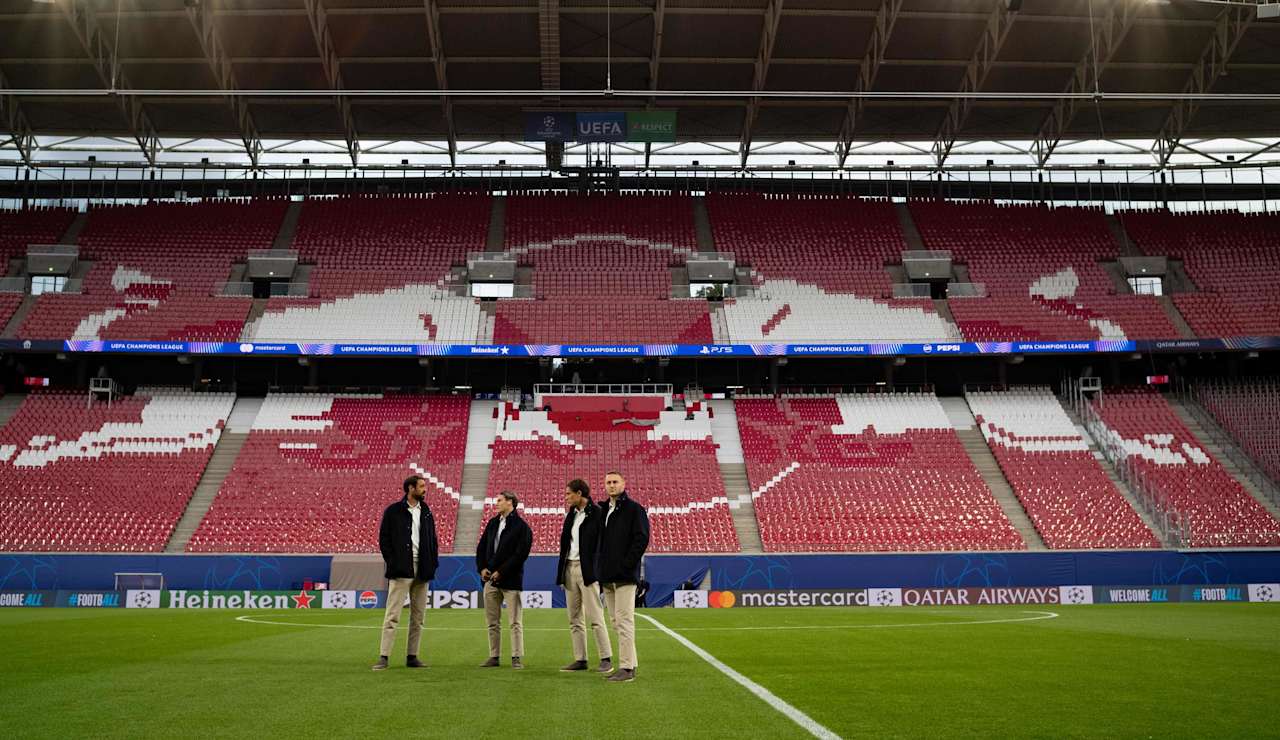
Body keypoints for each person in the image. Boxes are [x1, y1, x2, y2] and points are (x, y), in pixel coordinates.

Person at [373, 474, 439, 671]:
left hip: (423, 569)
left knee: (418, 617)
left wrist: (433, 562)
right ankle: (384, 656)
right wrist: (393, 562)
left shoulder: (426, 511)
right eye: (421, 486)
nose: (425, 489)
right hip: (402, 568)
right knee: (393, 614)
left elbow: (433, 539)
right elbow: (384, 539)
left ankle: (412, 656)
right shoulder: (394, 511)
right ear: (410, 488)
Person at [555, 479, 612, 673]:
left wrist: (599, 569)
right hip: (569, 568)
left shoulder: (597, 513)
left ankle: (606, 658)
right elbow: (566, 544)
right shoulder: (571, 514)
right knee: (574, 617)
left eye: (568, 494)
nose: (566, 497)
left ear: (579, 494)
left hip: (588, 571)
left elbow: (603, 544)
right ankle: (580, 659)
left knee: (595, 615)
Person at [597, 470, 649, 683]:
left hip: (625, 576)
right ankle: (631, 664)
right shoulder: (602, 511)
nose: (611, 485)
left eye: (615, 482)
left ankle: (626, 668)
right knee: (616, 622)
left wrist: (627, 565)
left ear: (623, 484)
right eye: (608, 482)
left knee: (624, 620)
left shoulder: (634, 509)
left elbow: (641, 539)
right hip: (607, 576)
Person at [475, 491, 533, 669]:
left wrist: (501, 571)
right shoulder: (493, 523)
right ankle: (494, 656)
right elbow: (481, 547)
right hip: (490, 580)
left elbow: (520, 554)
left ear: (510, 502)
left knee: (515, 621)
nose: (496, 503)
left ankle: (516, 657)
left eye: (499, 500)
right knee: (492, 621)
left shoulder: (522, 527)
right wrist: (482, 568)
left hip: (511, 580)